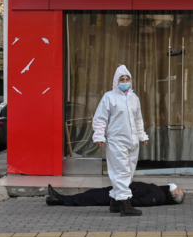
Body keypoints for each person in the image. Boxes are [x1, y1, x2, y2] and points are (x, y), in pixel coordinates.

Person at [92, 65, 149, 217]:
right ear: (115, 82)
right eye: (121, 79)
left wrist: (142, 135)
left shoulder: (134, 98)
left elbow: (138, 120)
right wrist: (99, 136)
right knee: (121, 172)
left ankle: (115, 201)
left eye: (127, 79)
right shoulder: (109, 97)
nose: (125, 81)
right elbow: (100, 118)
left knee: (128, 172)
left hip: (133, 141)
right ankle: (125, 205)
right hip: (116, 141)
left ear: (131, 81)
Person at [45, 182, 185, 208]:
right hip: (121, 189)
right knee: (91, 194)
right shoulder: (161, 191)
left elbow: (142, 201)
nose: (177, 187)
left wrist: (123, 201)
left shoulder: (160, 196)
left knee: (90, 198)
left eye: (178, 189)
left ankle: (58, 199)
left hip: (120, 195)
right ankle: (59, 198)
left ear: (174, 195)